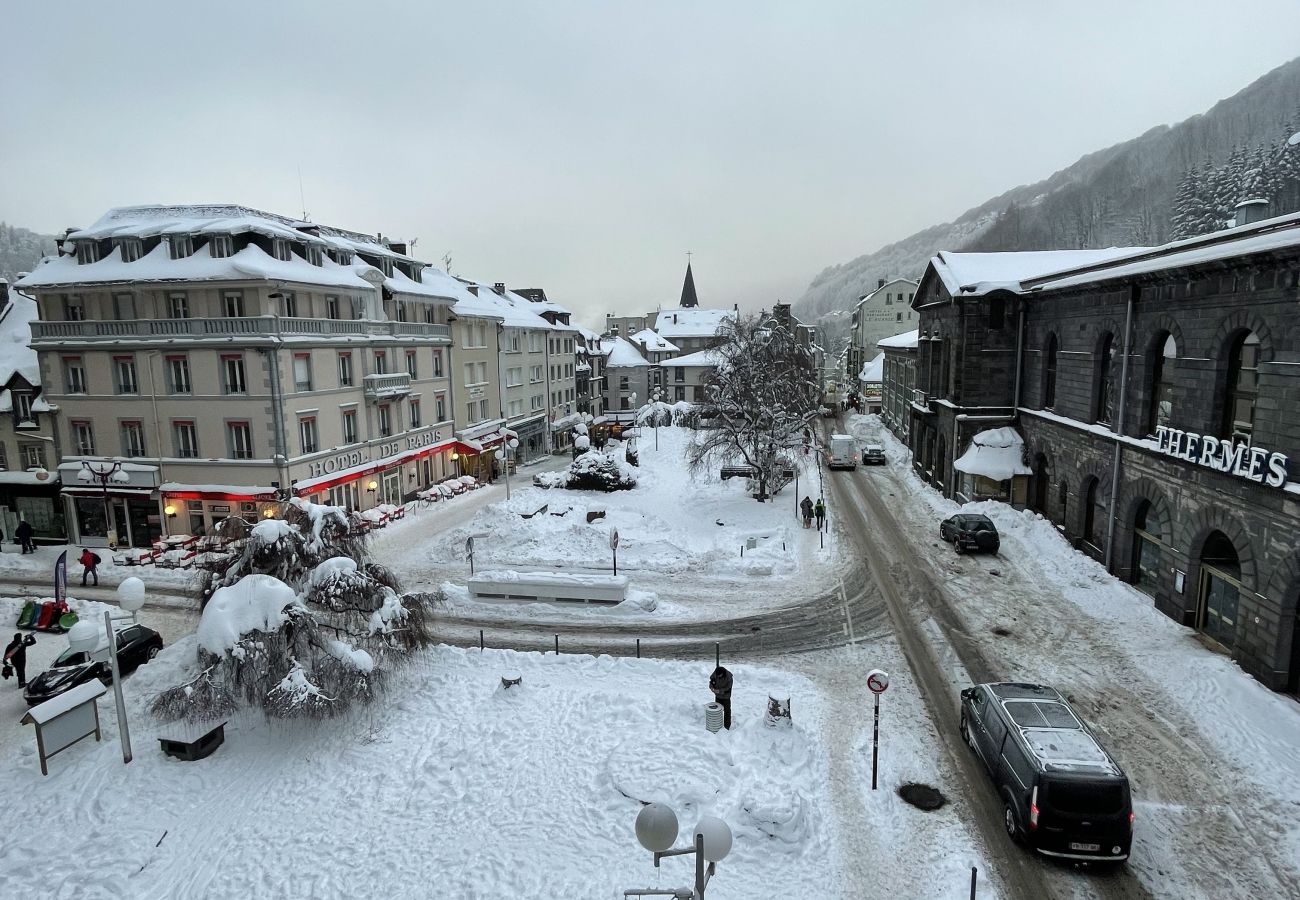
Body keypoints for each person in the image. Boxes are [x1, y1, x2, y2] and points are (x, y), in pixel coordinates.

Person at [709, 665, 733, 730]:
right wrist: (711, 687)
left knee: (727, 711)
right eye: (717, 675)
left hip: (726, 696)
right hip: (718, 696)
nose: (718, 677)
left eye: (719, 676)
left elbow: (728, 689)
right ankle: (717, 724)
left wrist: (719, 691)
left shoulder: (729, 677)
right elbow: (711, 681)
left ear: (723, 674)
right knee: (717, 710)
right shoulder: (715, 673)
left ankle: (727, 726)